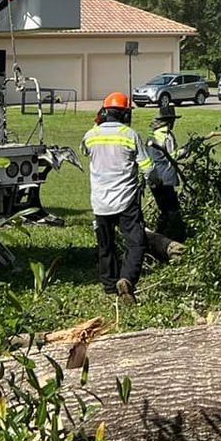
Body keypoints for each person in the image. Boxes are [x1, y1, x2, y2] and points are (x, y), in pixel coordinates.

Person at [85, 90, 151, 298]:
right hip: (126, 200)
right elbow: (147, 167)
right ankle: (127, 279)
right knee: (136, 242)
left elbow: (85, 149)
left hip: (100, 201)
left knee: (106, 245)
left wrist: (98, 123)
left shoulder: (91, 135)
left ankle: (109, 286)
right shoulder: (130, 135)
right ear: (125, 114)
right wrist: (151, 182)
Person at [145, 100, 186, 242]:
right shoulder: (166, 135)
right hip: (166, 177)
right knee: (172, 210)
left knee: (164, 208)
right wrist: (185, 151)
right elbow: (171, 155)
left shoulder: (153, 134)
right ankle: (172, 237)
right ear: (170, 121)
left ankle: (160, 235)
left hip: (154, 178)